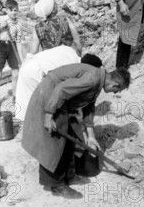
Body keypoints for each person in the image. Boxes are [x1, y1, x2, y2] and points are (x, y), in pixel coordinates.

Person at [22, 64, 130, 199]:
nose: (116, 93)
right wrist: (49, 115)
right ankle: (57, 185)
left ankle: (69, 176)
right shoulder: (92, 79)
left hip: (59, 99)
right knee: (54, 143)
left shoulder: (98, 81)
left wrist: (91, 136)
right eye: (117, 91)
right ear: (115, 84)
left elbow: (88, 107)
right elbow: (61, 89)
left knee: (70, 135)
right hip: (51, 96)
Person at [0, 0, 24, 111]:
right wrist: (0, 27)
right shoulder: (1, 19)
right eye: (11, 10)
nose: (14, 12)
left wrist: (21, 60)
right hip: (0, 46)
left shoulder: (19, 24)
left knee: (16, 73)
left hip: (12, 47)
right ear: (6, 10)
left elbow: (18, 42)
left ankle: (14, 96)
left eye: (16, 10)